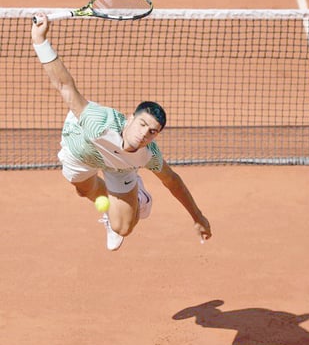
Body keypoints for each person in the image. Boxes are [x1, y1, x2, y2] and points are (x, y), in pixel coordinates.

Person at [31, 13, 212, 251]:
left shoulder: (148, 155)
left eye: (152, 132)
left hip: (119, 166)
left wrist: (197, 216)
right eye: (142, 124)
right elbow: (65, 86)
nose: (144, 134)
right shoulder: (99, 123)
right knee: (82, 189)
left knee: (123, 227)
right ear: (130, 119)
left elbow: (173, 182)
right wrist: (40, 41)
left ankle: (138, 198)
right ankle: (113, 199)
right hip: (81, 150)